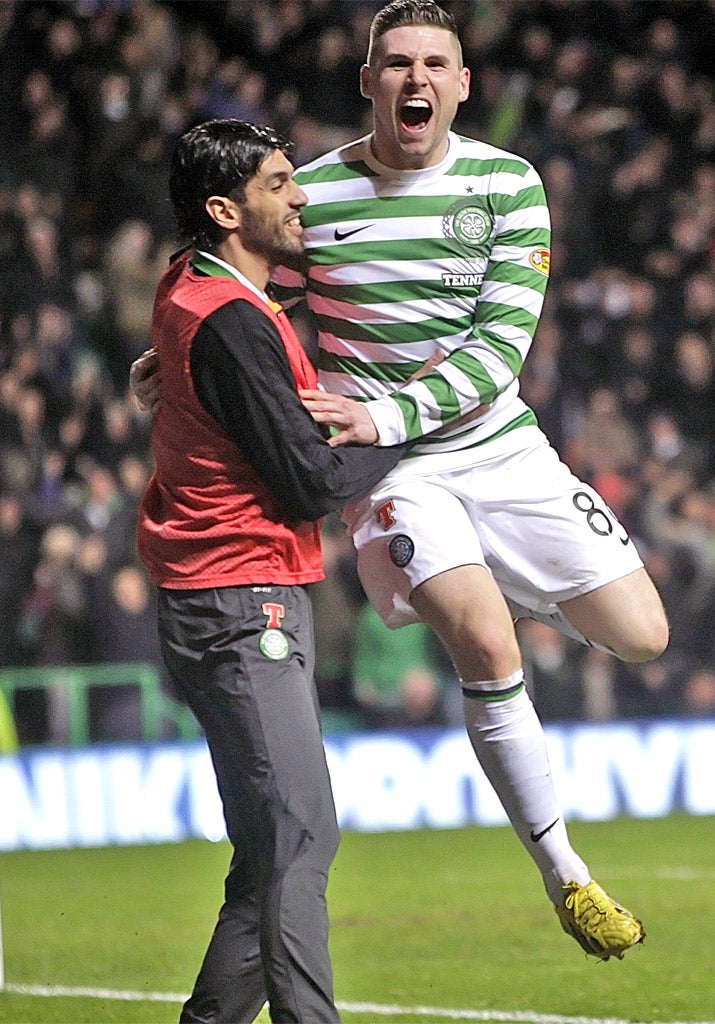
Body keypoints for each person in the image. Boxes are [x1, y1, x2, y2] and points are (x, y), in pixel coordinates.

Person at [132, 0, 668, 962]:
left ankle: (495, 573)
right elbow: (246, 281)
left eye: (435, 63)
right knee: (482, 636)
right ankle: (568, 877)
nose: (415, 78)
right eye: (396, 63)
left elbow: (501, 346)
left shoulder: (511, 184)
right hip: (389, 469)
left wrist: (387, 409)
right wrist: (171, 350)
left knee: (642, 635)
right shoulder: (317, 192)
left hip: (499, 446)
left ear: (463, 85)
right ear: (369, 80)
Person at [136, 119, 413, 1024]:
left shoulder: (195, 286)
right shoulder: (230, 324)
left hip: (215, 592)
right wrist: (398, 427)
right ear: (225, 210)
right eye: (281, 183)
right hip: (241, 595)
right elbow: (304, 482)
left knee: (271, 850)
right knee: (298, 834)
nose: (302, 198)